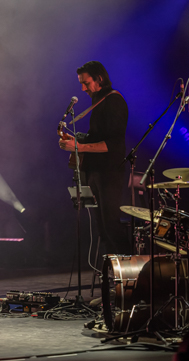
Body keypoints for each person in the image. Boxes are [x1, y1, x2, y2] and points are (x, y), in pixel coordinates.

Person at [58, 61, 130, 254]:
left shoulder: (114, 101)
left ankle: (129, 266)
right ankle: (110, 268)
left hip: (109, 173)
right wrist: (77, 140)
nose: (83, 89)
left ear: (99, 78)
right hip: (95, 171)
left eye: (86, 83)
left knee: (111, 226)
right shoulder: (99, 100)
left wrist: (79, 146)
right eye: (81, 83)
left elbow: (114, 144)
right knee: (103, 229)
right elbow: (97, 136)